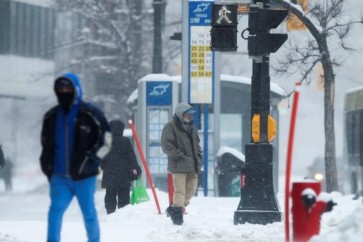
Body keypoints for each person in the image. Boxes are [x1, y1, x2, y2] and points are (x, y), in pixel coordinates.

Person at [40, 73, 110, 242]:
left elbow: (107, 140)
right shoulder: (51, 116)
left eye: (68, 88)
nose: (64, 91)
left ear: (76, 89)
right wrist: (47, 165)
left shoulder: (91, 113)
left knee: (89, 214)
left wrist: (93, 159)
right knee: (55, 212)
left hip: (84, 177)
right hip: (59, 177)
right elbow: (45, 143)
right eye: (61, 88)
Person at [161, 103, 202, 225]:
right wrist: (180, 156)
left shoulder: (191, 128)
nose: (190, 117)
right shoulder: (170, 127)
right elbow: (166, 146)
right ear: (181, 114)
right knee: (179, 191)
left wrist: (198, 156)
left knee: (191, 190)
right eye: (188, 114)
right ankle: (178, 215)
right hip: (178, 165)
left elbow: (197, 144)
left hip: (192, 165)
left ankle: (174, 208)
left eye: (191, 115)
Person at [100, 119, 141, 214]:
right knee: (124, 195)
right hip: (123, 174)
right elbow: (131, 157)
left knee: (110, 194)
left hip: (110, 174)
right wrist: (136, 168)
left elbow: (101, 158)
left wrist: (104, 167)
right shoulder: (125, 141)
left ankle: (110, 212)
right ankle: (123, 213)